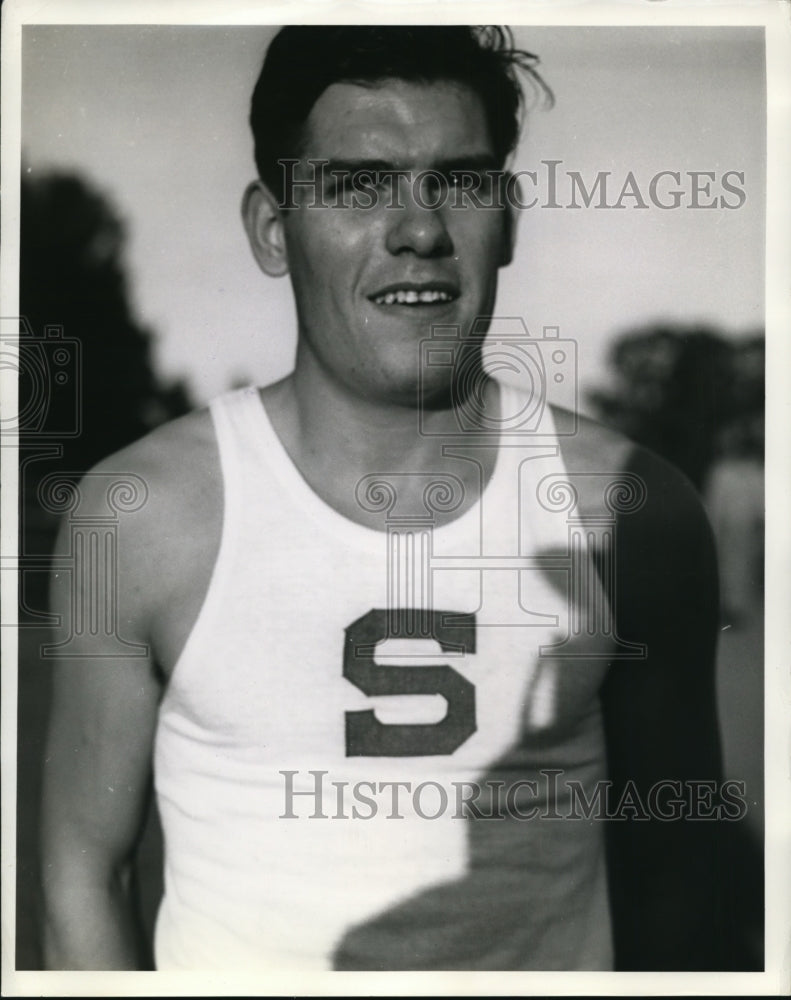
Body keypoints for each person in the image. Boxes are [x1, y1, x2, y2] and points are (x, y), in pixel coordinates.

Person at [40, 26, 727, 972]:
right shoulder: (143, 514)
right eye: (359, 186)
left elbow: (683, 882)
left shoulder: (631, 509)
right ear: (271, 230)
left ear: (510, 217)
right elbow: (83, 870)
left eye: (458, 181)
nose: (419, 231)